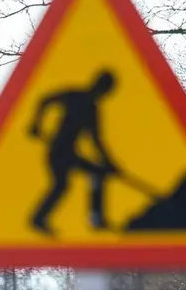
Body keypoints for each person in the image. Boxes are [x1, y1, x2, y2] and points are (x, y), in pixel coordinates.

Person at [29, 70, 120, 234]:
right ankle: (38, 218)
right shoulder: (75, 96)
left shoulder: (91, 109)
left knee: (96, 174)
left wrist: (110, 163)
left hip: (69, 153)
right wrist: (36, 124)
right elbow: (45, 99)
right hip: (58, 151)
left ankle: (96, 219)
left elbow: (96, 141)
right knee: (62, 184)